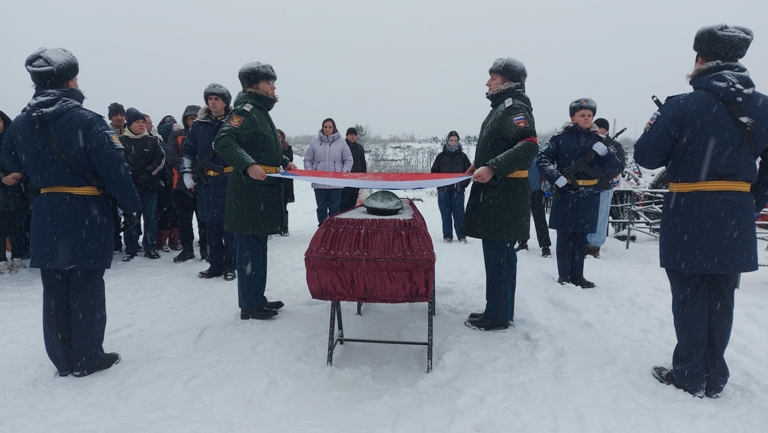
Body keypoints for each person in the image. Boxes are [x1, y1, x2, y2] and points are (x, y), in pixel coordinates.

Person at [633, 24, 768, 398]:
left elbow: (645, 157)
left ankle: (691, 372)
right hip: (736, 212)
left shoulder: (682, 104)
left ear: (700, 60)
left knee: (690, 294)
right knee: (723, 295)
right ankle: (715, 374)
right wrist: (751, 201)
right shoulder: (763, 105)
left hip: (689, 207)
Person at [1, 48, 140, 376]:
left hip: (46, 211)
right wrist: (132, 207)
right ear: (69, 80)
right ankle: (87, 357)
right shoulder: (87, 120)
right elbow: (116, 170)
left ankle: (62, 359)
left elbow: (11, 168)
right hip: (86, 210)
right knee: (86, 284)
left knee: (54, 289)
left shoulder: (20, 124)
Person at [214, 61, 296, 320]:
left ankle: (256, 297)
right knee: (250, 250)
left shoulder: (261, 112)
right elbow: (224, 141)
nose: (273, 87)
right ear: (254, 85)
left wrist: (283, 161)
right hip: (250, 192)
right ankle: (249, 304)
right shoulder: (245, 111)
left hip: (262, 191)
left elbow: (262, 146)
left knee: (258, 249)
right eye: (268, 82)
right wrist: (248, 165)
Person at [461, 57, 539, 331]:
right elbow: (501, 146)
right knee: (496, 257)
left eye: (492, 77)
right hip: (498, 195)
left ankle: (498, 315)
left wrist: (493, 167)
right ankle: (497, 309)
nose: (487, 82)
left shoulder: (514, 108)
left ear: (507, 81)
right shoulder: (501, 108)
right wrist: (480, 162)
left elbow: (528, 146)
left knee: (501, 259)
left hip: (504, 196)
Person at [537, 99, 622, 289]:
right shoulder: (560, 138)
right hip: (566, 192)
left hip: (590, 194)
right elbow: (542, 159)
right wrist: (555, 177)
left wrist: (606, 154)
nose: (587, 118)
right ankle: (564, 275)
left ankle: (578, 276)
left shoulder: (600, 141)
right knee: (565, 236)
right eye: (582, 115)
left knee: (581, 237)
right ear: (572, 118)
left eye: (590, 115)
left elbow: (616, 166)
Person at [181, 84, 236, 280]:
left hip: (230, 180)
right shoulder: (198, 125)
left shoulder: (234, 123)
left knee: (230, 226)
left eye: (217, 99)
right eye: (210, 99)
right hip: (207, 183)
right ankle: (216, 264)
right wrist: (187, 173)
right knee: (210, 226)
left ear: (225, 102)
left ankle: (230, 265)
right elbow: (188, 150)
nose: (212, 102)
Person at [119, 108, 166, 261]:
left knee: (150, 218)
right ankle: (131, 248)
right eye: (137, 122)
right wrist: (131, 173)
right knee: (131, 217)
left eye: (143, 122)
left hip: (150, 187)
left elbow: (160, 160)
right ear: (129, 124)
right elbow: (119, 162)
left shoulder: (152, 141)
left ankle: (150, 247)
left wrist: (148, 174)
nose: (141, 125)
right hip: (130, 187)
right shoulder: (121, 141)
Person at [168, 104, 207, 263]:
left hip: (203, 184)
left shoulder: (206, 134)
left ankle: (206, 250)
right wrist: (187, 170)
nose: (194, 120)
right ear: (185, 120)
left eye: (197, 117)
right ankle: (187, 249)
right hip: (181, 185)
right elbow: (171, 156)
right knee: (184, 220)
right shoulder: (176, 135)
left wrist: (199, 171)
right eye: (191, 118)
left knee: (204, 220)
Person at [586, 118, 626, 258]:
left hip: (604, 186)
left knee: (601, 217)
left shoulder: (614, 145)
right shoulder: (590, 141)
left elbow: (620, 165)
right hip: (588, 185)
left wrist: (605, 176)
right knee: (587, 215)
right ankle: (584, 243)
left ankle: (594, 246)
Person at [303, 118, 353, 225]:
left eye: (330, 127)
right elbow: (308, 159)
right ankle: (322, 230)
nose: (327, 129)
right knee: (321, 208)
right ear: (322, 128)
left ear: (334, 128)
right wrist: (310, 172)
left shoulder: (341, 143)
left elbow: (348, 159)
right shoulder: (315, 143)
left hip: (336, 183)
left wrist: (343, 173)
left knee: (334, 208)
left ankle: (333, 232)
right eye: (325, 127)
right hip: (319, 183)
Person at [1, 109, 31, 274]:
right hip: (1, 193)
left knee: (18, 227)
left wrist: (20, 173)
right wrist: (2, 179)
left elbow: (29, 163)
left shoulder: (16, 140)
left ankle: (18, 257)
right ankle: (1, 260)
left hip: (19, 191)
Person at [431, 131, 471, 243]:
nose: (453, 143)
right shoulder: (441, 157)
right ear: (447, 141)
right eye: (451, 140)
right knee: (445, 213)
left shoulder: (463, 157)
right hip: (444, 190)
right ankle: (447, 236)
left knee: (459, 214)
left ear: (458, 141)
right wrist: (439, 184)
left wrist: (462, 184)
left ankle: (462, 236)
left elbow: (469, 173)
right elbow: (434, 172)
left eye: (455, 140)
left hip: (458, 190)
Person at [515, 157, 552, 257]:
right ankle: (522, 242)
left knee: (540, 220)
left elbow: (546, 174)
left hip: (537, 192)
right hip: (522, 192)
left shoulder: (539, 157)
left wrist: (546, 189)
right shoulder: (519, 154)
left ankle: (545, 247)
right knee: (522, 218)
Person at [339, 127, 367, 212]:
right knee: (343, 200)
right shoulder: (342, 147)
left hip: (356, 179)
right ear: (347, 135)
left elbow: (363, 162)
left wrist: (364, 175)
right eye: (351, 135)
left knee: (353, 200)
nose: (353, 137)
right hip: (344, 178)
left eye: (355, 135)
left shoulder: (359, 148)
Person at [277, 129, 294, 235]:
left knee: (283, 205)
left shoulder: (287, 147)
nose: (278, 138)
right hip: (275, 179)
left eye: (280, 136)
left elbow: (289, 159)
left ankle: (284, 227)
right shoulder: (270, 147)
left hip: (286, 180)